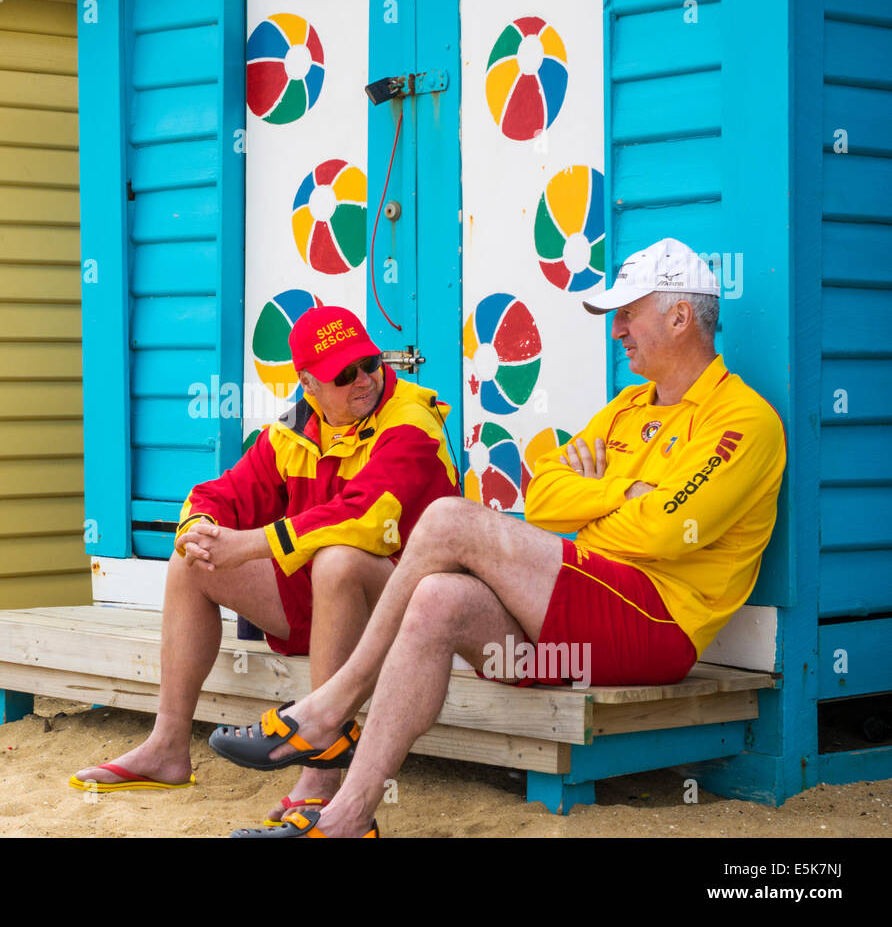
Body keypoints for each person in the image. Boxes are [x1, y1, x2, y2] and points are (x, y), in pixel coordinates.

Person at [212, 237, 788, 837]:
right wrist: (624, 492)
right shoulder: (627, 407)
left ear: (678, 316)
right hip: (581, 611)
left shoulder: (744, 420)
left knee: (447, 518)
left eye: (627, 313)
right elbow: (540, 498)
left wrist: (594, 507)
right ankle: (347, 818)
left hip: (657, 624)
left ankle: (330, 706)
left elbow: (669, 532)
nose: (617, 329)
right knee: (439, 597)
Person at [69, 305, 460, 825]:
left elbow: (366, 518)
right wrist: (198, 529)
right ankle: (167, 747)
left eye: (370, 363)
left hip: (409, 618)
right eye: (344, 374)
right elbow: (217, 494)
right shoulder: (293, 430)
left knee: (340, 558)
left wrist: (251, 544)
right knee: (192, 561)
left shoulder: (412, 418)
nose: (364, 380)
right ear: (308, 385)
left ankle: (320, 776)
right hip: (326, 606)